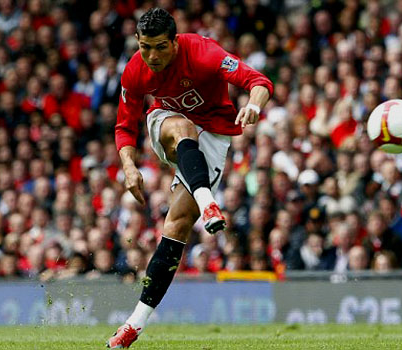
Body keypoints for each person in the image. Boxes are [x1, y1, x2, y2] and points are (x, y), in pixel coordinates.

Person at [107, 8, 273, 349]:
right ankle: (209, 202)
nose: (152, 56)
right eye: (144, 47)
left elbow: (258, 82)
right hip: (167, 125)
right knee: (182, 126)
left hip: (213, 133)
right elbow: (125, 126)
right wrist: (128, 165)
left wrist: (254, 106)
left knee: (177, 226)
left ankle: (132, 327)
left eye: (160, 47)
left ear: (175, 42)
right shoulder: (135, 70)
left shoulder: (204, 52)